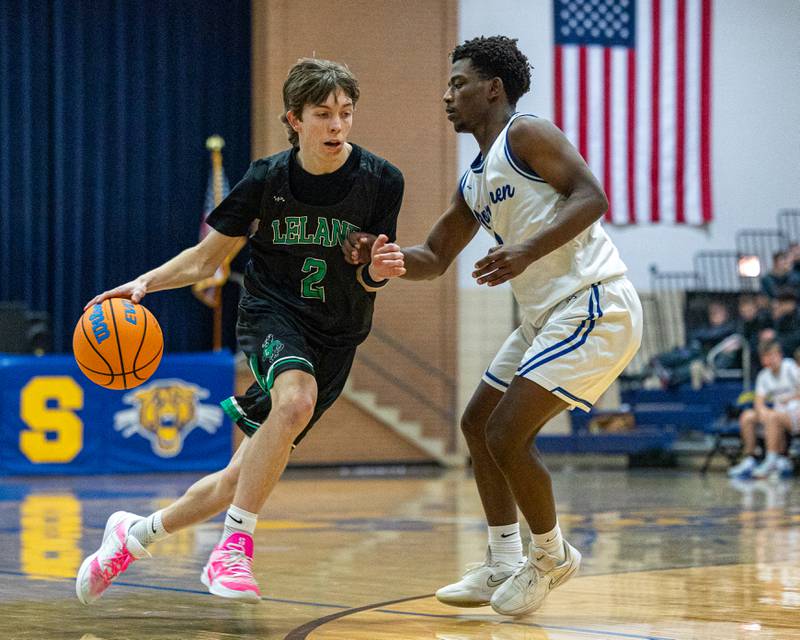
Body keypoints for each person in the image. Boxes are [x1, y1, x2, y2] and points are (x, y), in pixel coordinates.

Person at [75, 58, 406, 605]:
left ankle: (132, 536)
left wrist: (378, 270)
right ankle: (234, 547)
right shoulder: (267, 179)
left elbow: (370, 276)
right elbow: (208, 260)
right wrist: (143, 283)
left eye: (346, 113)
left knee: (236, 480)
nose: (337, 126)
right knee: (296, 400)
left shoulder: (381, 180)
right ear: (294, 120)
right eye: (323, 114)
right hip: (272, 314)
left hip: (338, 334)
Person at [345, 35, 642, 617]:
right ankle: (503, 558)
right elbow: (434, 255)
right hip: (544, 314)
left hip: (594, 302)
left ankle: (550, 556)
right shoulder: (475, 179)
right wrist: (383, 257)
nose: (447, 95)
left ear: (493, 89)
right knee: (478, 422)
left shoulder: (527, 134)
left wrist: (525, 251)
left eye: (458, 84)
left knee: (507, 432)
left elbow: (593, 195)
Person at [728, 340, 798, 480]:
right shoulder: (763, 376)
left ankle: (773, 459)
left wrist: (788, 398)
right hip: (779, 414)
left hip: (796, 413)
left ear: (779, 355)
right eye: (765, 357)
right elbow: (759, 402)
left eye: (772, 356)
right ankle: (750, 459)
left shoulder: (790, 367)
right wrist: (763, 412)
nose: (769, 360)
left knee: (773, 417)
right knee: (748, 416)